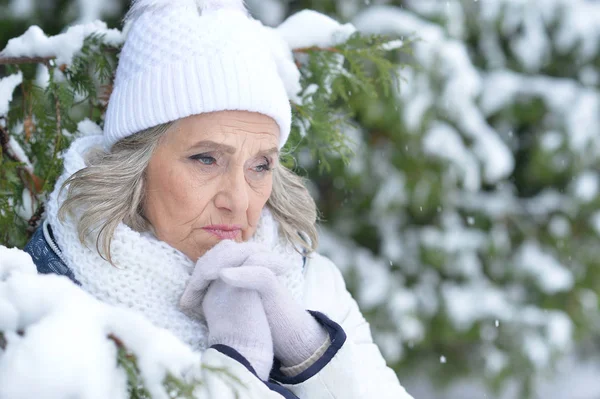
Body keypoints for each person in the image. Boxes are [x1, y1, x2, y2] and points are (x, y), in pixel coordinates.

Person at [24, 0, 414, 397]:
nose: (240, 201)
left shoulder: (311, 282)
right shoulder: (47, 305)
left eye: (260, 165)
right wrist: (238, 361)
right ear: (134, 164)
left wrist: (310, 354)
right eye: (206, 159)